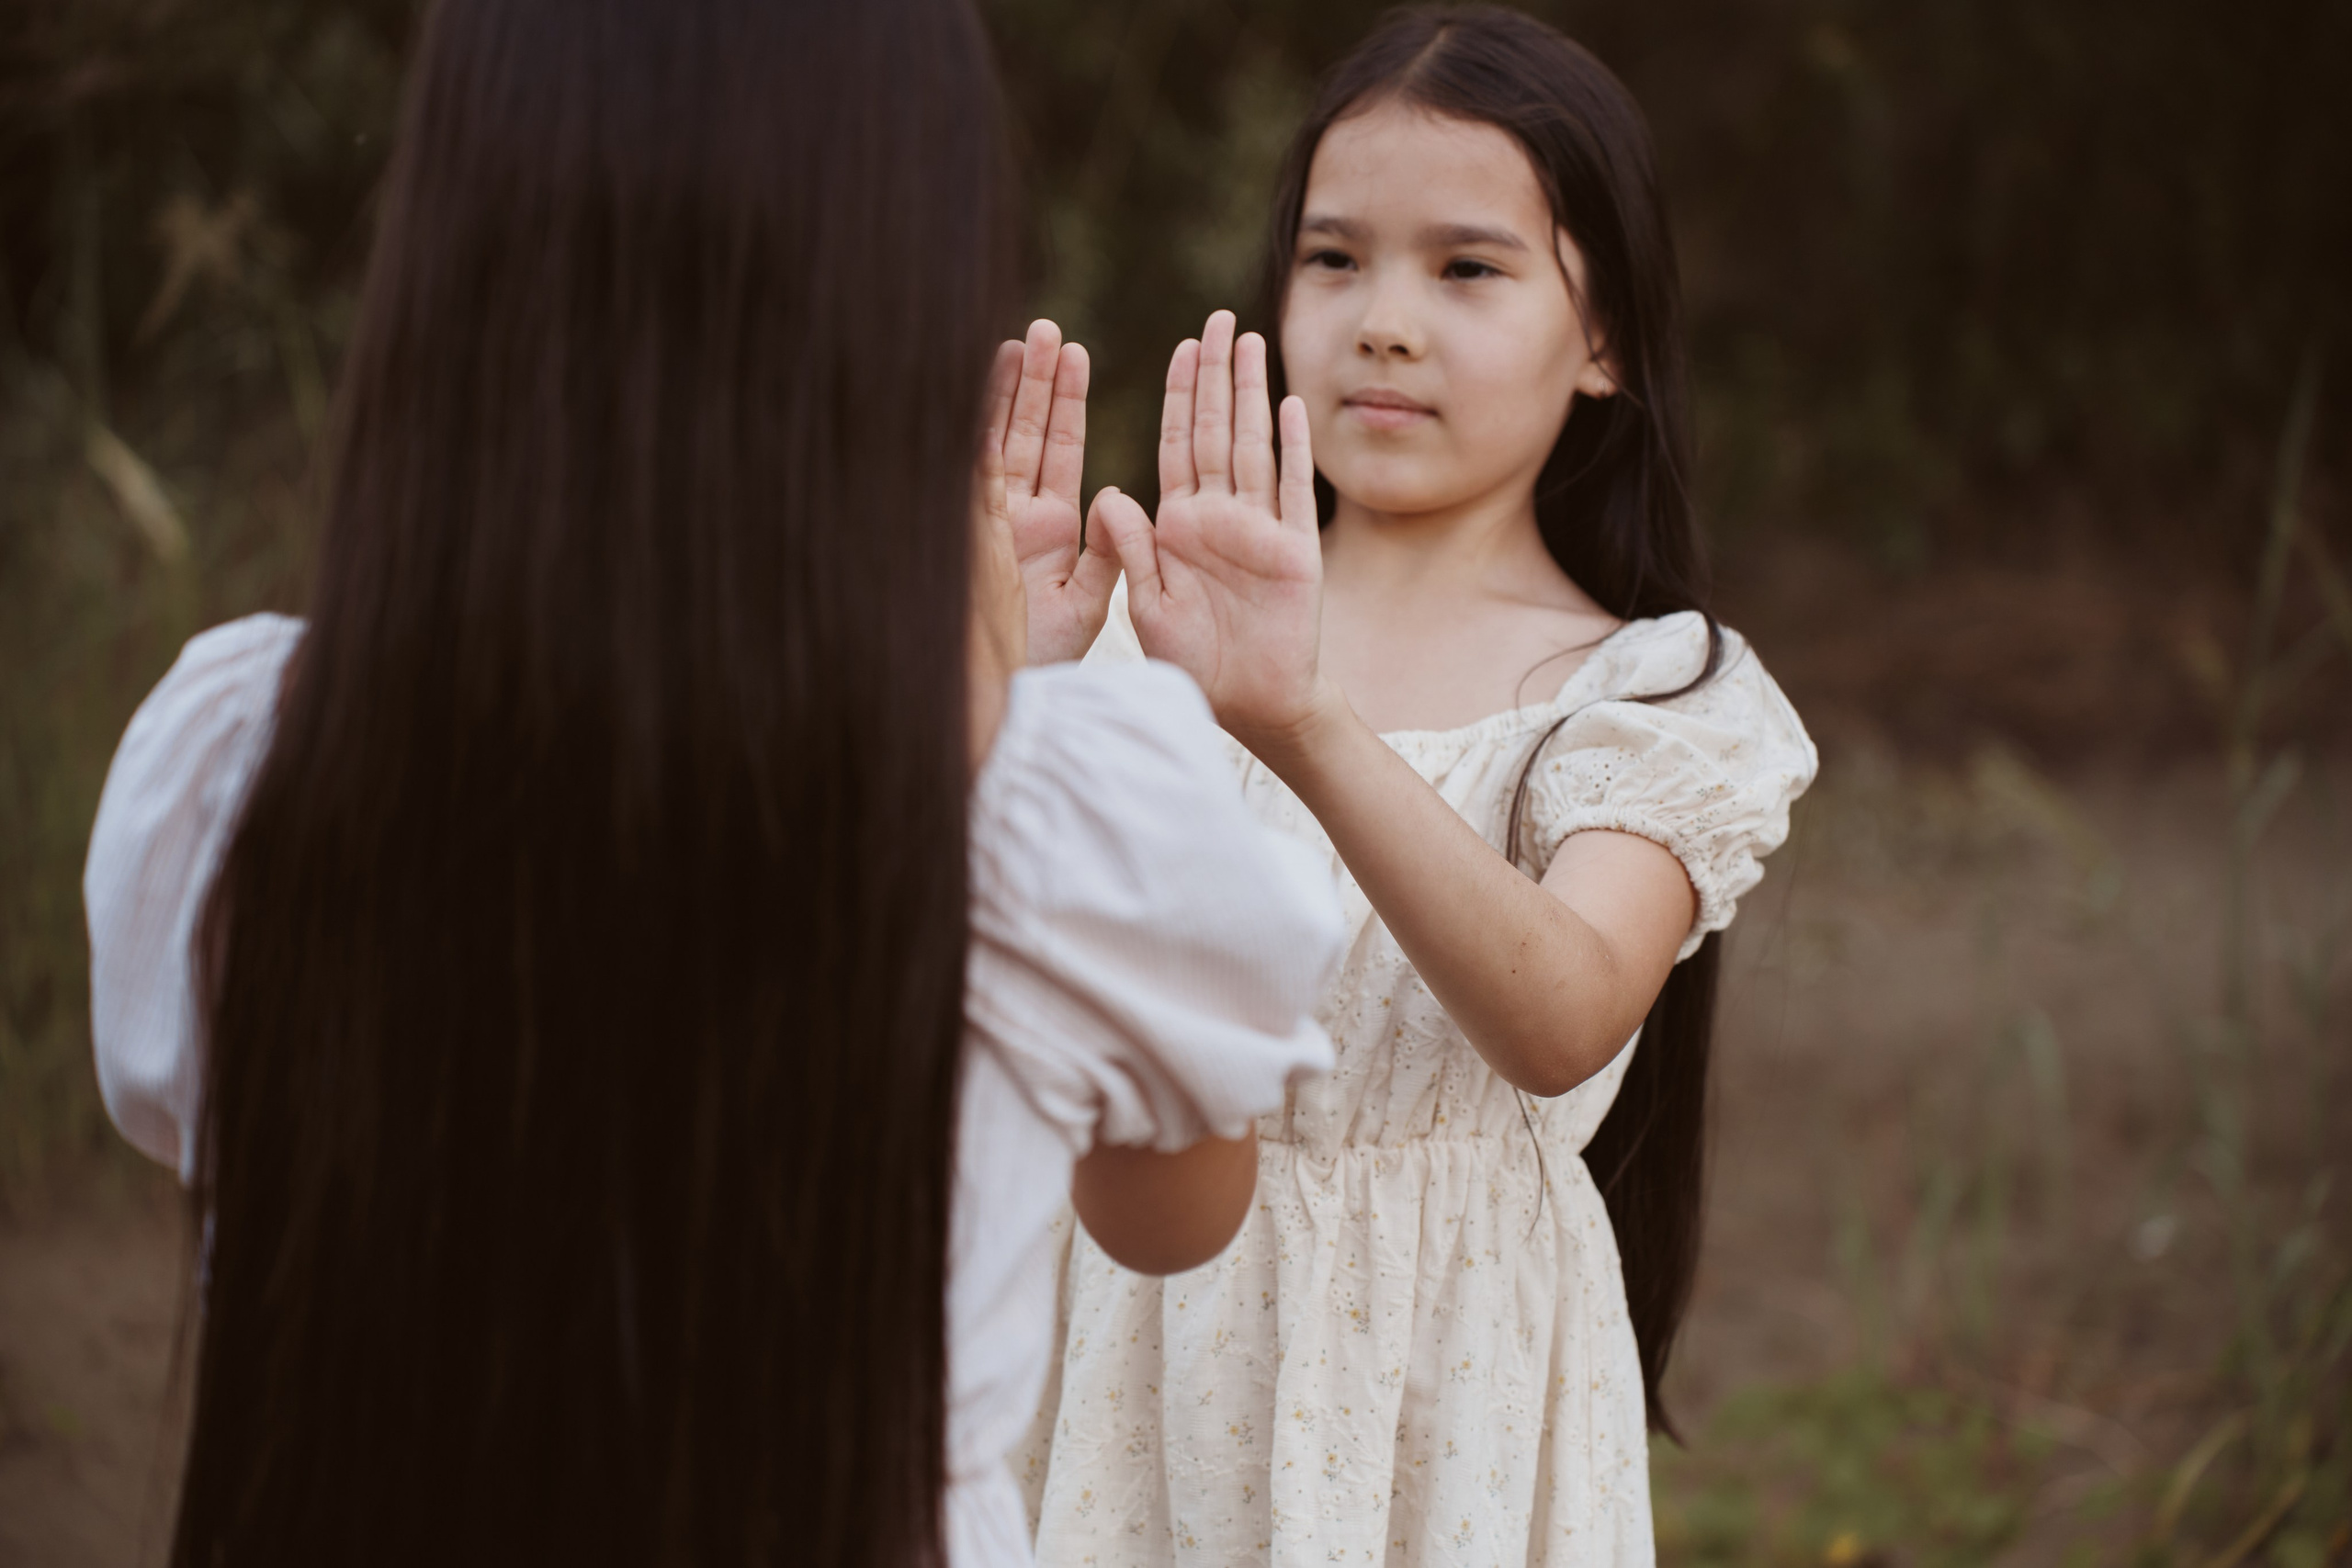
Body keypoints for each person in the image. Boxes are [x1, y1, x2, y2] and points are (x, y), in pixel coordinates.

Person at [81, 2, 1341, 1564]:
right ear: (906, 271)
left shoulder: (239, 762)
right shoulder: (1045, 827)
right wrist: (985, 703)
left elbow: (201, 1141)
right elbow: (1170, 1217)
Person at [1026, 7, 1818, 1562]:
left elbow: (1562, 1010)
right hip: (1140, 1365)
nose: (1384, 320)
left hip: (1448, 1403)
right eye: (1334, 260)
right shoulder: (1133, 630)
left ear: (1604, 339)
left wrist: (1300, 718)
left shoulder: (1655, 688)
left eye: (1466, 268)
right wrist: (1009, 701)